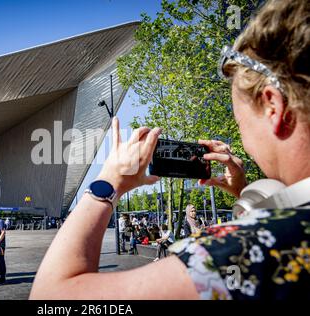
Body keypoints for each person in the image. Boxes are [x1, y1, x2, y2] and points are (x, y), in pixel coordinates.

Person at [30, 0, 310, 299]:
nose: (243, 134)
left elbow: (53, 299)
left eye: (240, 120)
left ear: (272, 107)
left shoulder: (244, 251)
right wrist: (245, 192)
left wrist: (108, 183)